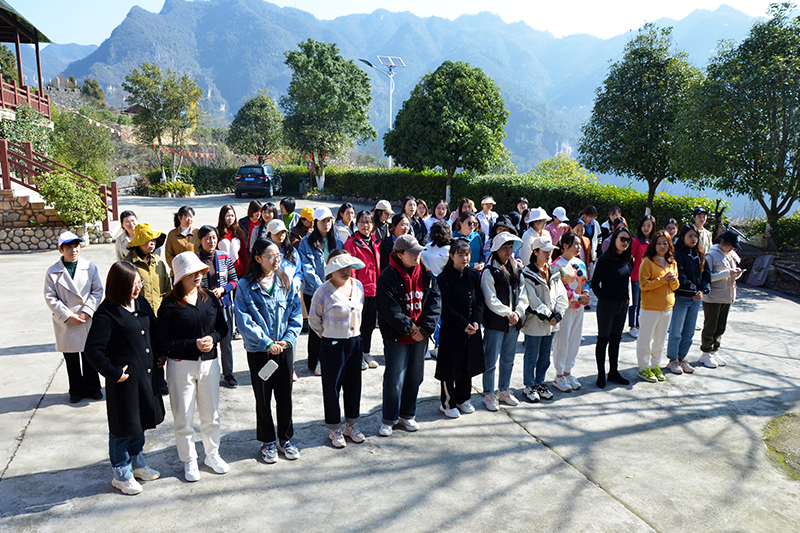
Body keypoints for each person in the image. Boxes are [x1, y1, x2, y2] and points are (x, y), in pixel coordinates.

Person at [84, 262, 165, 495]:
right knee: (122, 427)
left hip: (146, 377)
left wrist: (159, 355)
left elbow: (152, 329)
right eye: (133, 285)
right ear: (119, 286)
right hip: (124, 381)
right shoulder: (106, 313)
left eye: (139, 282)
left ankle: (137, 463)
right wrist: (114, 373)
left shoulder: (139, 302)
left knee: (138, 423)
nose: (138, 288)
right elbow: (93, 350)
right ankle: (121, 473)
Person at [157, 251, 229, 482]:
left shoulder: (209, 297)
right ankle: (189, 461)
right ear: (180, 277)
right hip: (181, 366)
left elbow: (223, 328)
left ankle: (212, 454)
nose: (198, 276)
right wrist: (193, 344)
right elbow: (163, 342)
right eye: (191, 273)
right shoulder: (169, 305)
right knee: (183, 418)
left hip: (209, 365)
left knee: (211, 414)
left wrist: (214, 339)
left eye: (199, 271)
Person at [236, 239, 302, 463]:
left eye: (278, 256)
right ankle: (267, 441)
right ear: (257, 258)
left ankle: (286, 439)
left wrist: (287, 340)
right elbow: (244, 321)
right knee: (263, 398)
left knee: (285, 396)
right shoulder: (245, 286)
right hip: (259, 351)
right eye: (270, 256)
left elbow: (295, 314)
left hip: (283, 348)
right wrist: (266, 343)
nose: (276, 260)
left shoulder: (286, 281)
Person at [376, 235, 441, 436]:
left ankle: (407, 415)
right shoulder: (387, 277)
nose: (417, 255)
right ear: (399, 254)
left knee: (415, 376)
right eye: (412, 252)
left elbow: (435, 302)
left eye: (418, 251)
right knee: (395, 379)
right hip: (398, 336)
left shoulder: (427, 274)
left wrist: (425, 329)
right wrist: (411, 329)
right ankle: (389, 418)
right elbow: (389, 309)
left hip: (420, 337)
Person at [309, 250, 367, 447]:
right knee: (332, 387)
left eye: (348, 267)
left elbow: (361, 310)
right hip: (332, 343)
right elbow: (314, 320)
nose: (346, 271)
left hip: (355, 342)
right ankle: (334, 429)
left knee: (353, 385)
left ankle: (351, 425)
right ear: (331, 270)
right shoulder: (323, 291)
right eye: (340, 268)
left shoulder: (357, 285)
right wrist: (328, 335)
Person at [44, 231, 104, 403]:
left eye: (76, 246)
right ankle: (76, 390)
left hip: (87, 318)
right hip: (66, 322)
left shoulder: (90, 267)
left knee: (89, 355)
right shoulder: (52, 272)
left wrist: (87, 311)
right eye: (68, 247)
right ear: (60, 249)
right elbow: (50, 297)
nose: (73, 250)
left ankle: (93, 387)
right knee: (71, 359)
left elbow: (97, 290)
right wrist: (68, 315)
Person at [435, 239, 484, 418]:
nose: (464, 258)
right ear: (451, 256)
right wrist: (464, 324)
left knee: (467, 365)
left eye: (467, 254)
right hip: (453, 329)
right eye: (460, 255)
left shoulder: (472, 275)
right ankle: (448, 403)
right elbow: (445, 307)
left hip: (471, 328)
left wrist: (476, 321)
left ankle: (464, 398)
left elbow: (479, 301)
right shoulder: (443, 278)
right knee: (450, 368)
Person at [481, 232, 528, 411]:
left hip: (513, 321)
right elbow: (490, 299)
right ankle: (489, 393)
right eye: (504, 248)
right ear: (496, 249)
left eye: (510, 248)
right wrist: (508, 313)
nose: (508, 251)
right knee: (491, 359)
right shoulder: (489, 270)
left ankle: (504, 389)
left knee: (508, 359)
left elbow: (523, 293)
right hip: (496, 322)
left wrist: (518, 312)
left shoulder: (516, 267)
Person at [520, 237, 568, 403]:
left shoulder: (554, 271)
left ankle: (540, 383)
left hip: (552, 324)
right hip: (535, 322)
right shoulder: (527, 273)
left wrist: (558, 314)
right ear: (535, 252)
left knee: (545, 356)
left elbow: (561, 295)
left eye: (550, 251)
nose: (549, 254)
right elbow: (531, 298)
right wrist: (548, 315)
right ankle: (529, 385)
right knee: (531, 356)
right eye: (545, 251)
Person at [298, 207, 344, 375]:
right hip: (315, 292)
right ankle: (314, 361)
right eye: (323, 220)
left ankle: (328, 359)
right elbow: (307, 269)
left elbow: (341, 265)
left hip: (334, 290)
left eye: (329, 220)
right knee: (317, 327)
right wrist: (323, 288)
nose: (326, 224)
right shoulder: (306, 242)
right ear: (315, 222)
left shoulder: (337, 242)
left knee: (331, 326)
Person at [197, 226, 239, 389]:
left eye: (214, 237)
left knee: (226, 343)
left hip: (225, 305)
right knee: (208, 342)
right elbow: (193, 285)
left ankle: (228, 374)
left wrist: (223, 290)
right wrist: (207, 293)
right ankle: (208, 375)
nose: (211, 241)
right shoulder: (196, 260)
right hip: (206, 308)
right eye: (207, 238)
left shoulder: (224, 256)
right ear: (200, 240)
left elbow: (234, 280)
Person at [666, 224, 711, 374]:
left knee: (689, 332)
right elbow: (681, 276)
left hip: (696, 300)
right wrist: (694, 290)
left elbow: (706, 276)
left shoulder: (701, 254)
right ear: (683, 237)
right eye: (690, 236)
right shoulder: (677, 254)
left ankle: (681, 357)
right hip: (682, 298)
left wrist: (702, 291)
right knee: (676, 331)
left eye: (695, 236)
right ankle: (672, 360)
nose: (693, 239)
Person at [592, 227, 634, 388]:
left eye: (628, 240)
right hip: (606, 306)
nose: (625, 242)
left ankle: (613, 372)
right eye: (622, 239)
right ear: (614, 239)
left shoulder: (627, 260)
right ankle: (601, 374)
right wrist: (604, 297)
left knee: (616, 340)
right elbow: (595, 284)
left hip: (622, 306)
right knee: (603, 340)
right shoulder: (605, 260)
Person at [636, 230, 680, 383]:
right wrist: (663, 280)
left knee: (660, 340)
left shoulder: (672, 262)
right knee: (645, 339)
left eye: (665, 243)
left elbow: (675, 286)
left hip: (667, 307)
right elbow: (644, 285)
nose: (662, 246)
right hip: (650, 307)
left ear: (670, 244)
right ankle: (643, 367)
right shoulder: (647, 261)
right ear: (653, 245)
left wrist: (673, 280)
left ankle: (655, 365)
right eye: (659, 243)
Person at [551, 231, 591, 392]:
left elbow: (585, 282)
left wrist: (586, 294)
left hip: (579, 308)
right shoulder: (557, 265)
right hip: (564, 308)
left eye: (579, 245)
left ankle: (568, 372)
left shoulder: (579, 262)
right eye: (575, 244)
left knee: (574, 340)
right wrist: (577, 297)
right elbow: (559, 289)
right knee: (562, 341)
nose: (578, 247)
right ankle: (559, 375)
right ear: (565, 246)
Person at [699, 231, 743, 368]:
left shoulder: (730, 255)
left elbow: (730, 276)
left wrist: (736, 274)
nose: (732, 249)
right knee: (710, 326)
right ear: (722, 241)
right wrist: (727, 273)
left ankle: (714, 350)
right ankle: (705, 353)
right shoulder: (711, 255)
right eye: (730, 245)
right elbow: (707, 277)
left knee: (721, 326)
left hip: (727, 296)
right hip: (713, 297)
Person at [344, 210, 382, 370]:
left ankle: (366, 352)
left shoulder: (375, 242)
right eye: (362, 222)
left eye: (368, 222)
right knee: (355, 325)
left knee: (369, 324)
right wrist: (352, 290)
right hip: (359, 291)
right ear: (356, 224)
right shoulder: (351, 242)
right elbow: (350, 269)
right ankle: (356, 354)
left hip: (373, 290)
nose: (365, 225)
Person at [123, 223, 171, 317]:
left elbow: (167, 285)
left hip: (160, 311)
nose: (152, 243)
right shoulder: (129, 263)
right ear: (139, 242)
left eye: (153, 240)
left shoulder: (158, 261)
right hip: (138, 313)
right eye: (148, 240)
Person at [629, 215, 656, 339]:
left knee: (643, 303)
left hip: (650, 277)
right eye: (644, 225)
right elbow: (630, 257)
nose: (646, 228)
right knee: (634, 302)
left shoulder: (654, 241)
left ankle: (640, 325)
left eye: (649, 225)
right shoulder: (636, 240)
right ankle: (632, 326)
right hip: (636, 275)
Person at [164, 206, 198, 274]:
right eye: (186, 216)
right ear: (179, 218)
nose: (189, 219)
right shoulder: (172, 234)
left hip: (194, 271)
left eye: (191, 216)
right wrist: (178, 268)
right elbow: (169, 255)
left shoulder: (197, 232)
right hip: (178, 272)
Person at [217, 204, 248, 278]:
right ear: (222, 217)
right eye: (228, 215)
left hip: (239, 270)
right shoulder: (217, 232)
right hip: (223, 271)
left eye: (232, 215)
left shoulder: (239, 232)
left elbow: (243, 252)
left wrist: (247, 269)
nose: (230, 218)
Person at [267, 219, 302, 284]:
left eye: (283, 232)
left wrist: (294, 285)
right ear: (269, 234)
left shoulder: (292, 251)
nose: (280, 235)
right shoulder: (266, 253)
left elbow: (298, 272)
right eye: (276, 233)